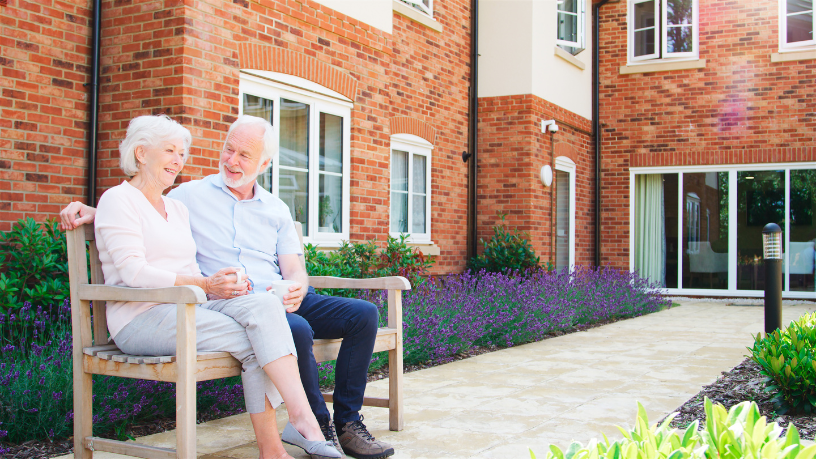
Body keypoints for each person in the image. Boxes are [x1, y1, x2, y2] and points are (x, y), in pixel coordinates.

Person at [60, 114, 395, 459]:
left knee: (356, 314)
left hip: (245, 298)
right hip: (165, 310)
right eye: (228, 150)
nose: (231, 161)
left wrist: (295, 287)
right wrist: (94, 211)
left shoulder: (191, 207)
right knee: (273, 330)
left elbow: (293, 267)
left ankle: (321, 429)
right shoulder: (186, 196)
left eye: (244, 155)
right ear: (142, 153)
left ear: (264, 163)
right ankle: (309, 424)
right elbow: (133, 222)